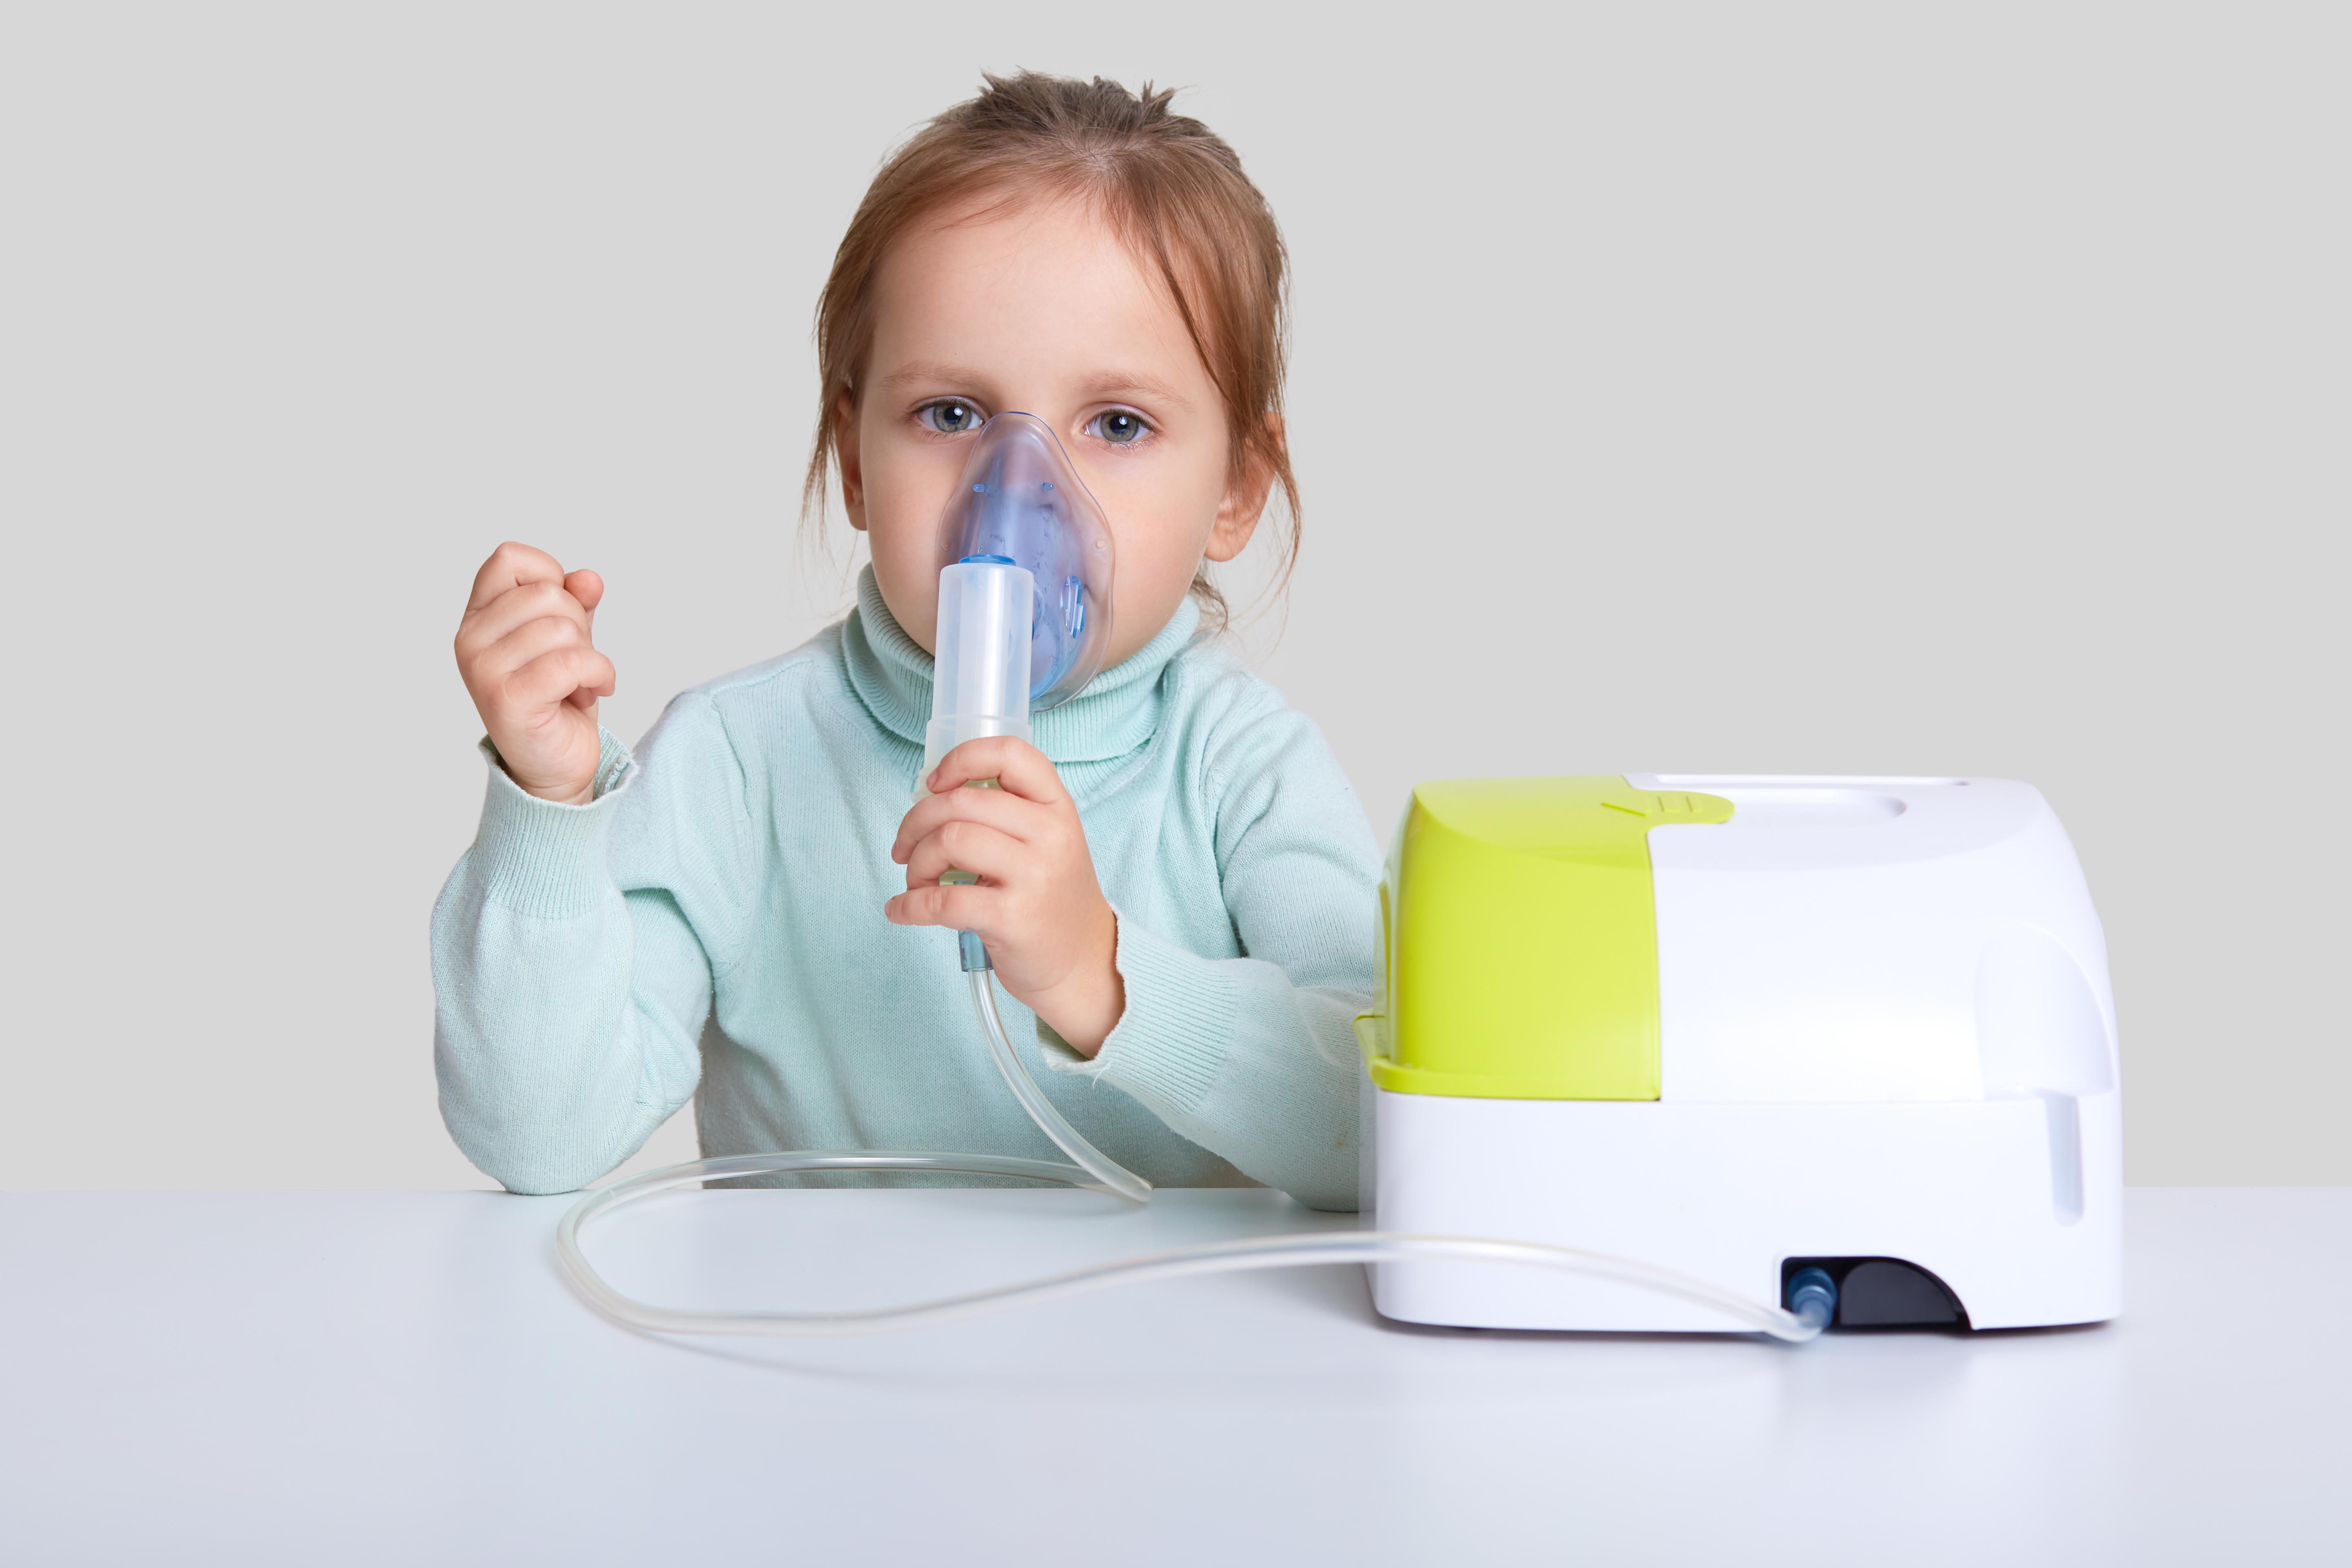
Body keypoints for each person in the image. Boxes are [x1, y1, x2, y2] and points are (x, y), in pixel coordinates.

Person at [434, 73, 1377, 1208]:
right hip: (814, 1364)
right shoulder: (738, 763)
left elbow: (1382, 1133)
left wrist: (1102, 975)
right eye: (952, 415)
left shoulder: (1240, 772)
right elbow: (538, 1141)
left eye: (1118, 424)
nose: (1016, 492)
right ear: (852, 460)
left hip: (1147, 1373)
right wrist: (547, 815)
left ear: (1237, 487)